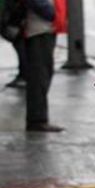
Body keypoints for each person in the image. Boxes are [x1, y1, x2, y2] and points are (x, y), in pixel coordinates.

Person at [23, 0, 60, 132]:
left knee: (43, 74)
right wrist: (52, 13)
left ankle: (38, 119)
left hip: (44, 28)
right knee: (39, 76)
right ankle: (37, 120)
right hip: (38, 30)